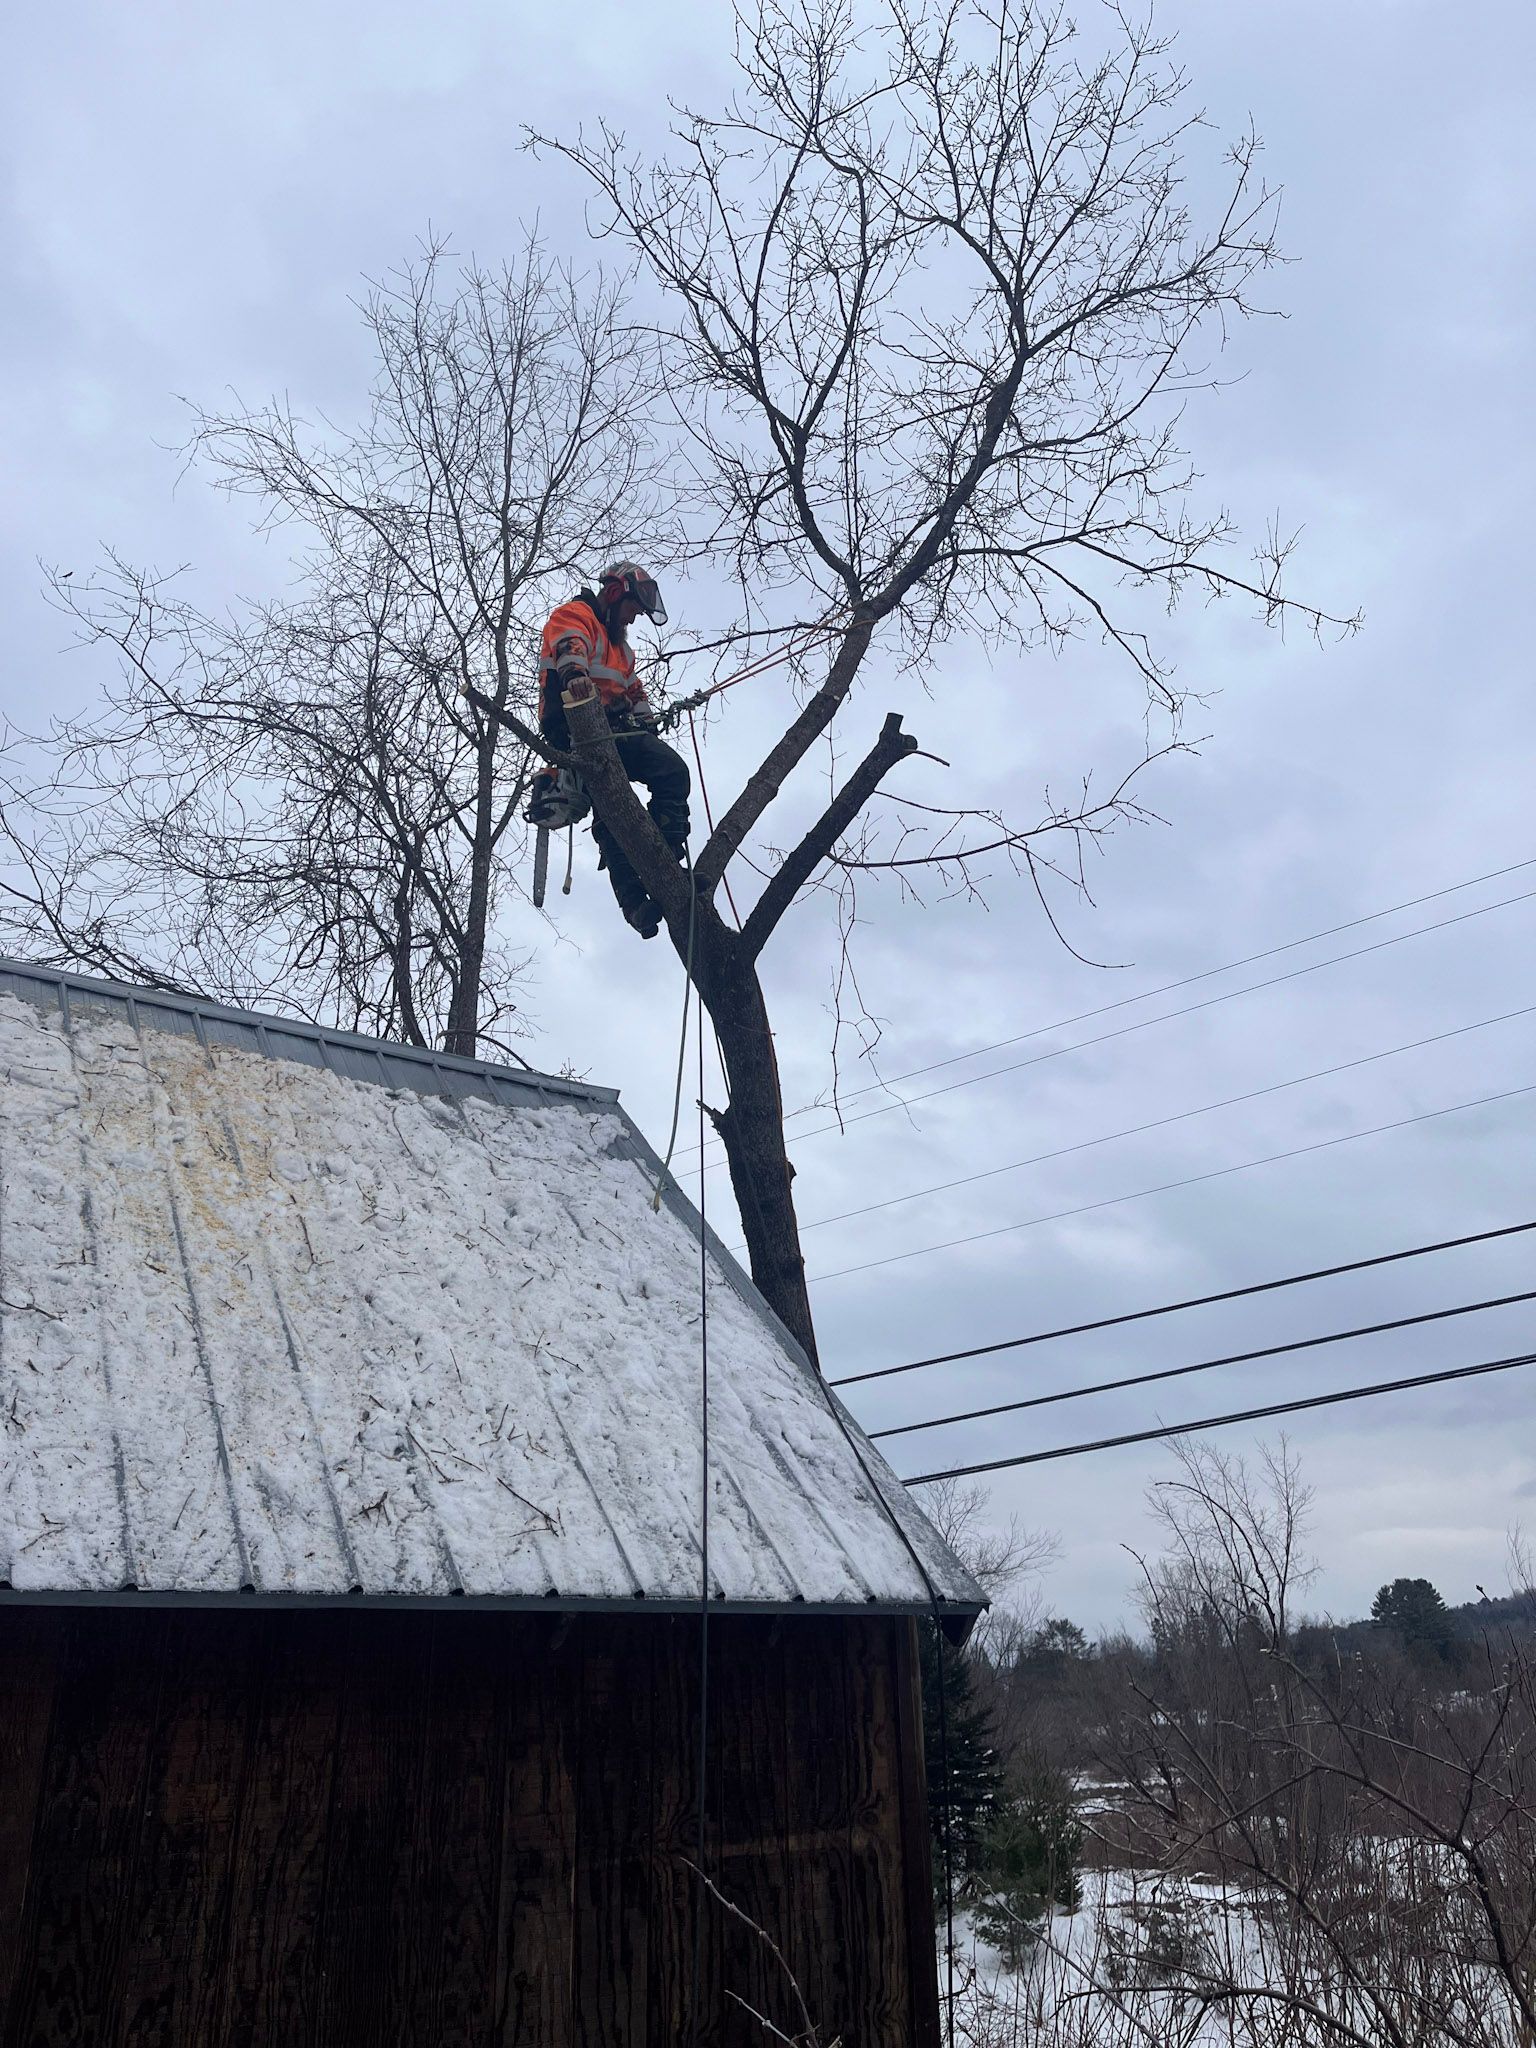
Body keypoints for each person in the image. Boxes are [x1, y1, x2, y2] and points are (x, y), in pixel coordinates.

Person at [535, 562, 690, 939]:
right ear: (616, 592)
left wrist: (649, 722)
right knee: (611, 812)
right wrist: (575, 675)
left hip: (616, 731)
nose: (634, 619)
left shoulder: (622, 649)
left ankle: (664, 854)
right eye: (633, 609)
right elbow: (569, 646)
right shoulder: (576, 615)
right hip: (574, 730)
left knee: (672, 772)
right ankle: (636, 902)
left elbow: (634, 691)